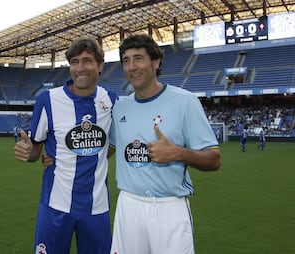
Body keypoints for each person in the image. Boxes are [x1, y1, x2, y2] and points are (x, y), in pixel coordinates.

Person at [108, 34, 221, 254]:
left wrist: (176, 153)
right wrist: (60, 158)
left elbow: (214, 159)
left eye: (139, 58)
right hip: (128, 205)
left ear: (156, 62)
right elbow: (108, 149)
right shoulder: (120, 107)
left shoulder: (185, 101)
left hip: (169, 208)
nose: (132, 67)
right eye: (126, 60)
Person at [14, 36, 118, 254]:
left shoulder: (112, 101)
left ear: (100, 66)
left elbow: (111, 145)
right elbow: (36, 151)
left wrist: (85, 154)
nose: (80, 68)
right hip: (55, 205)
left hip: (96, 208)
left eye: (87, 60)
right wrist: (28, 152)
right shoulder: (48, 100)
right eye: (75, 61)